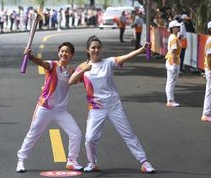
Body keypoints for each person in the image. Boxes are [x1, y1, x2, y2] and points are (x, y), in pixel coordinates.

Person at [68, 35, 155, 173]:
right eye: (93, 48)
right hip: (96, 108)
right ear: (88, 50)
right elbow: (71, 81)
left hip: (114, 106)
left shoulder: (108, 62)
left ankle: (144, 162)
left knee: (128, 134)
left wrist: (142, 49)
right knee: (90, 138)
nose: (96, 50)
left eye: (98, 48)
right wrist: (84, 69)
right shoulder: (83, 67)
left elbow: (126, 56)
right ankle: (92, 163)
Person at [16, 42, 83, 173]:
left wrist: (88, 69)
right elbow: (42, 63)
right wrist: (31, 57)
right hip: (45, 108)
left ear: (71, 55)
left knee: (76, 133)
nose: (64, 53)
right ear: (59, 53)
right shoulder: (52, 65)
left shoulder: (71, 72)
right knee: (33, 133)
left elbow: (83, 79)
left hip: (61, 111)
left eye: (67, 52)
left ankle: (72, 161)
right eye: (62, 51)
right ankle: (21, 160)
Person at [165, 20, 182, 107]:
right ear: (172, 28)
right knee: (171, 82)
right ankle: (170, 100)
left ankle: (170, 99)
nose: (179, 28)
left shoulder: (173, 37)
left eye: (179, 26)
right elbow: (174, 51)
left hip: (171, 60)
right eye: (177, 27)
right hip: (173, 61)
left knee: (170, 81)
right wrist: (175, 63)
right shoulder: (174, 38)